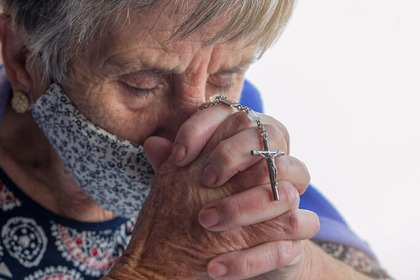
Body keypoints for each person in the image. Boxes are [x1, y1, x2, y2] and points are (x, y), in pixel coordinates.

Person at [0, 1, 391, 279]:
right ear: (22, 58)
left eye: (224, 78)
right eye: (142, 85)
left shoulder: (236, 122)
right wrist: (156, 271)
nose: (197, 124)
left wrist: (295, 262)